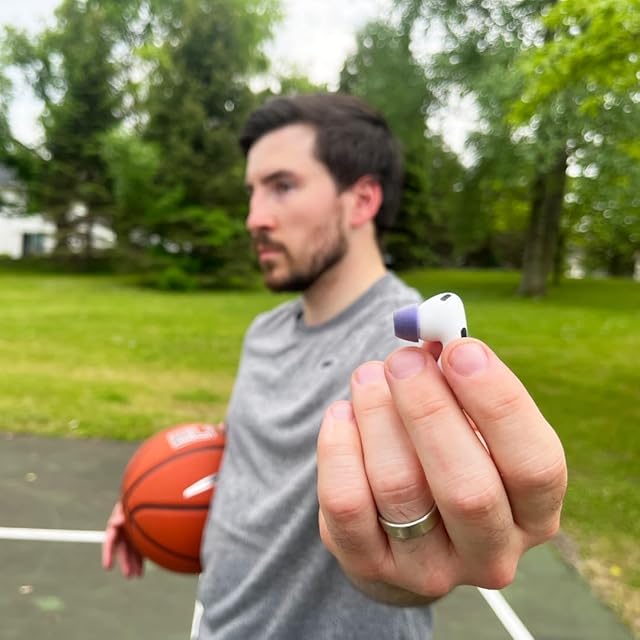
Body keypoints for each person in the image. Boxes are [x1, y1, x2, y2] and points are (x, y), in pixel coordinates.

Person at [102, 93, 567, 639]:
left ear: (362, 200)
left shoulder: (408, 357)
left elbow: (414, 570)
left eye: (282, 186)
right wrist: (151, 500)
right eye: (252, 192)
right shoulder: (264, 332)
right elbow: (244, 453)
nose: (254, 218)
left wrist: (423, 565)